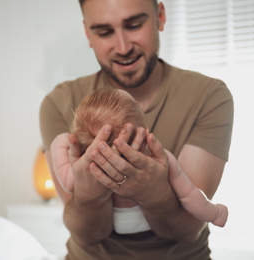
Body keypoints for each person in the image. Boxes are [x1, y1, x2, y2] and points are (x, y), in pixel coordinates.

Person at [39, 0, 234, 259]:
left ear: (161, 16)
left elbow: (188, 229)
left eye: (134, 25)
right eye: (104, 31)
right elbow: (86, 234)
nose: (122, 47)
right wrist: (89, 193)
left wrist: (154, 193)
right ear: (87, 33)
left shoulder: (208, 96)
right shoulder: (60, 103)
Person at [51, 88, 228, 233]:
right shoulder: (158, 159)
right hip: (147, 223)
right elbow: (189, 195)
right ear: (144, 131)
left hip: (114, 224)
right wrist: (214, 214)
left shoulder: (88, 168)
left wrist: (64, 140)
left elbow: (68, 183)